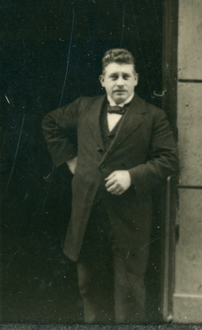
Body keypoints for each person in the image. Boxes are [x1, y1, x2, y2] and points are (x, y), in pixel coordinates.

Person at [42, 48, 178, 323]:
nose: (120, 83)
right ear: (102, 80)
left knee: (129, 291)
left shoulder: (153, 116)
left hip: (130, 219)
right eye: (113, 76)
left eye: (126, 76)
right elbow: (50, 123)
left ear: (136, 79)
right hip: (87, 215)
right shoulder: (83, 107)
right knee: (89, 285)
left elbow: (169, 160)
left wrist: (132, 176)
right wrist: (71, 159)